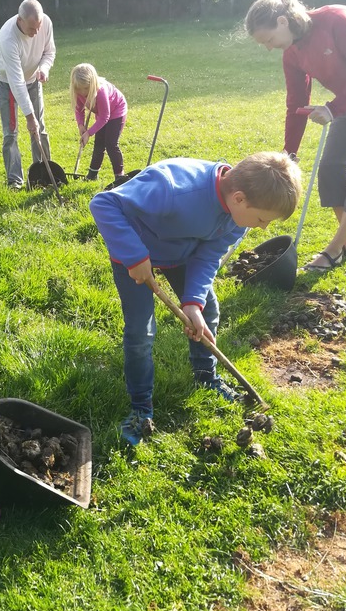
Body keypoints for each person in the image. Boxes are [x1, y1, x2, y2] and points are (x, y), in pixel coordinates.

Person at [89, 153, 302, 446]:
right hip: (134, 256)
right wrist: (135, 256)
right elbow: (104, 204)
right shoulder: (174, 186)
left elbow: (209, 256)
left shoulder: (238, 218)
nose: (263, 227)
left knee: (208, 308)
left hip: (182, 256)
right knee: (141, 330)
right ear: (239, 198)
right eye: (262, 219)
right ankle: (141, 409)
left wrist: (193, 302)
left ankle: (206, 376)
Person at [245, 0, 346, 272]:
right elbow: (296, 104)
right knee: (330, 168)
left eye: (268, 40)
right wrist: (289, 154)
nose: (269, 48)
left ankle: (334, 250)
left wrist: (334, 108)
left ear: (283, 21)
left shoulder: (337, 21)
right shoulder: (292, 54)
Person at [0, 0, 56, 189]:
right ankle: (15, 181)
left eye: (38, 27)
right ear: (20, 21)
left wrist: (44, 69)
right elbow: (16, 82)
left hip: (33, 80)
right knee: (11, 134)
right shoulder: (7, 37)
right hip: (9, 84)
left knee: (40, 129)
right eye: (31, 28)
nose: (36, 32)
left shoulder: (44, 22)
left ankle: (42, 174)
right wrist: (29, 117)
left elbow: (49, 52)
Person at [70, 62, 127, 182]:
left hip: (116, 111)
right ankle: (92, 174)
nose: (83, 92)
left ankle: (119, 176)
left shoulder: (101, 91)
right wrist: (80, 125)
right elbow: (79, 110)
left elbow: (105, 117)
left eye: (86, 88)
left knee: (111, 144)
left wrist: (88, 133)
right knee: (99, 143)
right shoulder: (78, 92)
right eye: (79, 89)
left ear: (92, 84)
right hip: (101, 113)